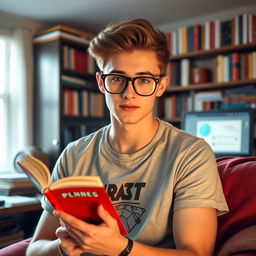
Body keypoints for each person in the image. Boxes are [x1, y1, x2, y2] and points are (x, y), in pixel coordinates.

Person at [26, 18, 228, 256]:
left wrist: (121, 248)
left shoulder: (190, 154)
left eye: (143, 80)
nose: (128, 93)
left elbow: (197, 253)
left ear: (161, 86)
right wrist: (61, 248)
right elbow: (34, 250)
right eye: (117, 78)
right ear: (102, 82)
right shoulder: (73, 154)